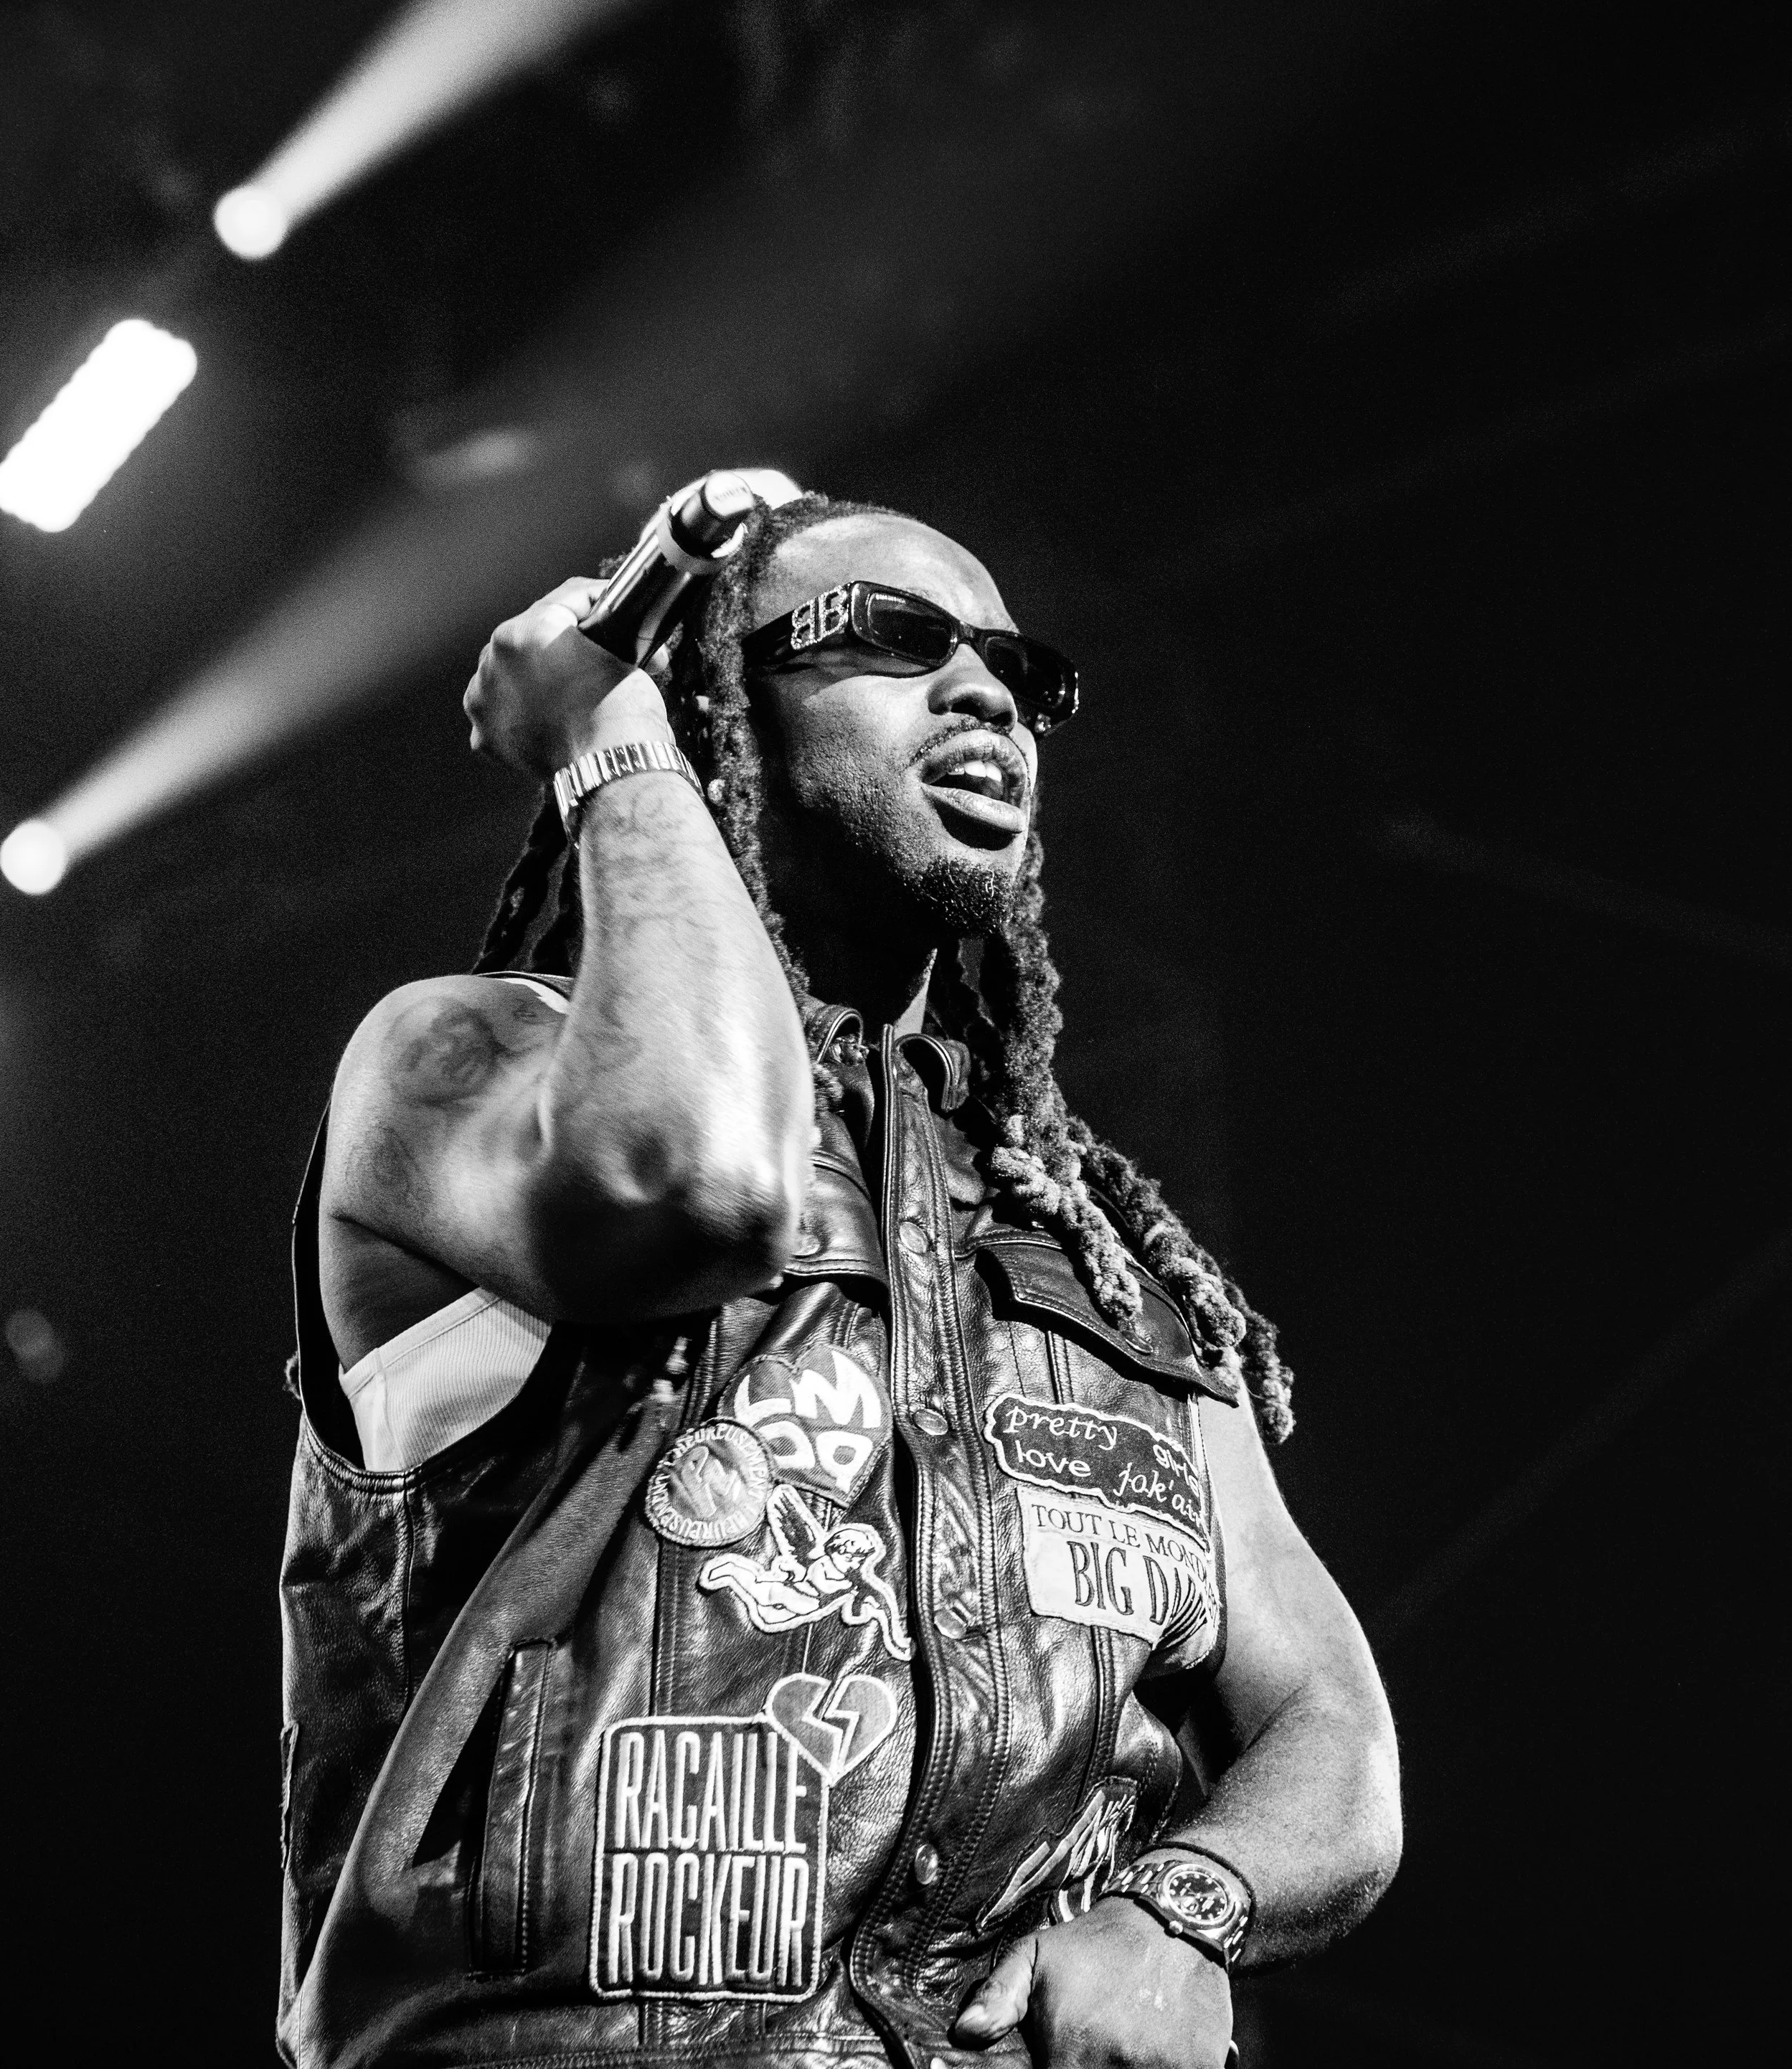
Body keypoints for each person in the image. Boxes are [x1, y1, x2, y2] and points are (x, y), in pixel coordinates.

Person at [278, 485, 1401, 2069]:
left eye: (1019, 670)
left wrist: (1179, 1907)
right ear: (706, 705)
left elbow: (1332, 1734)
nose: (986, 690)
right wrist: (609, 740)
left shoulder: (1104, 1257)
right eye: (893, 636)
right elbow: (707, 1182)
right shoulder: (464, 1068)